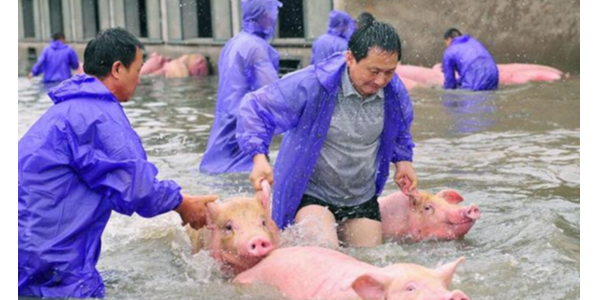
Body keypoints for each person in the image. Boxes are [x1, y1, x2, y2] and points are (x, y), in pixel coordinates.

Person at [18, 28, 218, 299]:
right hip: (51, 262)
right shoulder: (99, 116)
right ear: (117, 69)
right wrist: (183, 204)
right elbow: (138, 189)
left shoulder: (64, 110)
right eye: (137, 70)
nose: (139, 79)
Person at [237, 22, 418, 248]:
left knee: (371, 263)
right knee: (324, 251)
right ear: (350, 58)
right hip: (312, 194)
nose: (380, 81)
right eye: (374, 71)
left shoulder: (394, 93)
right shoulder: (314, 84)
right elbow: (255, 107)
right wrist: (258, 158)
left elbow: (399, 130)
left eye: (389, 72)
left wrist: (403, 162)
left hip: (360, 196)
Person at [200, 0, 283, 174]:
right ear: (263, 15)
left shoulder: (233, 43)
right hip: (245, 132)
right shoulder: (256, 48)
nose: (275, 17)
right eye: (272, 12)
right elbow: (273, 95)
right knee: (252, 182)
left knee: (218, 177)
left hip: (224, 128)